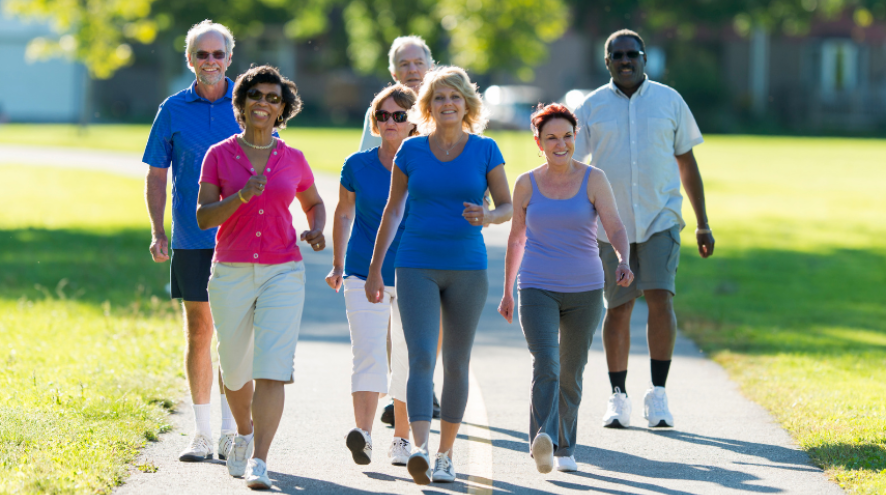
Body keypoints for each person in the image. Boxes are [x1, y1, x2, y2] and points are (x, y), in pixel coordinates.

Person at [365, 66, 513, 485]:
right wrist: (375, 270)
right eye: (440, 98)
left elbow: (506, 206)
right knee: (420, 359)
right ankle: (421, 449)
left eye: (455, 97)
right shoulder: (410, 153)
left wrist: (486, 216)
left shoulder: (485, 150)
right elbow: (393, 212)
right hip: (415, 264)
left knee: (457, 363)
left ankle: (447, 454)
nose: (448, 104)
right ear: (427, 106)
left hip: (468, 267)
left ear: (467, 104)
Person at [573, 29, 715, 429]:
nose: (625, 61)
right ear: (607, 62)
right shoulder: (592, 106)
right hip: (610, 226)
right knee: (617, 309)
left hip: (660, 219)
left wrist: (703, 224)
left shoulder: (670, 101)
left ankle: (659, 394)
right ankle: (618, 397)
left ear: (644, 57)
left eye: (632, 54)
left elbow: (687, 164)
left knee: (661, 300)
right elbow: (571, 163)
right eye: (616, 56)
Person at [196, 65, 326, 489]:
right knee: (234, 370)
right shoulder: (218, 154)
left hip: (283, 269)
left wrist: (316, 228)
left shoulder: (294, 159)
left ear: (282, 109)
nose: (264, 103)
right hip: (230, 271)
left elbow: (313, 202)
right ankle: (244, 432)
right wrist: (241, 196)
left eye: (273, 98)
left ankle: (261, 460)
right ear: (242, 102)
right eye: (256, 95)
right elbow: (202, 217)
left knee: (272, 368)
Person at [498, 104, 634, 474]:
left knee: (571, 371)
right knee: (547, 364)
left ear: (576, 138)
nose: (561, 144)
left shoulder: (594, 179)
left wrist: (623, 259)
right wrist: (508, 291)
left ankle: (564, 448)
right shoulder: (526, 182)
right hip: (537, 287)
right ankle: (543, 438)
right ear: (539, 143)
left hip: (586, 291)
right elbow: (516, 240)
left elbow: (616, 227)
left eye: (568, 137)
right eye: (552, 138)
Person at [143, 19, 241, 462]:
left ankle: (231, 431)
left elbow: (272, 162)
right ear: (190, 60)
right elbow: (157, 173)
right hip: (191, 237)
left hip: (242, 239)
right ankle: (201, 434)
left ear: (229, 58)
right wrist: (157, 230)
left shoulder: (249, 102)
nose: (211, 62)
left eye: (218, 54)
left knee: (236, 337)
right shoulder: (171, 109)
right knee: (200, 330)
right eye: (202, 54)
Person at [325, 84, 418, 467]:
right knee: (367, 353)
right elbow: (344, 213)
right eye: (383, 115)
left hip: (415, 273)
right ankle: (362, 434)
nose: (391, 121)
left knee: (409, 358)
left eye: (400, 115)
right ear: (374, 123)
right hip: (363, 271)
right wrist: (336, 262)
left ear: (414, 122)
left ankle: (401, 439)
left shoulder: (427, 164)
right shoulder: (356, 165)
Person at [358, 34, 442, 425]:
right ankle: (402, 388)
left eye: (417, 62)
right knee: (395, 313)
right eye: (404, 64)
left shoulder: (444, 105)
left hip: (432, 223)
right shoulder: (382, 111)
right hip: (395, 224)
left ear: (429, 65)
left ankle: (425, 384)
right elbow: (365, 163)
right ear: (393, 71)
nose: (412, 70)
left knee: (431, 312)